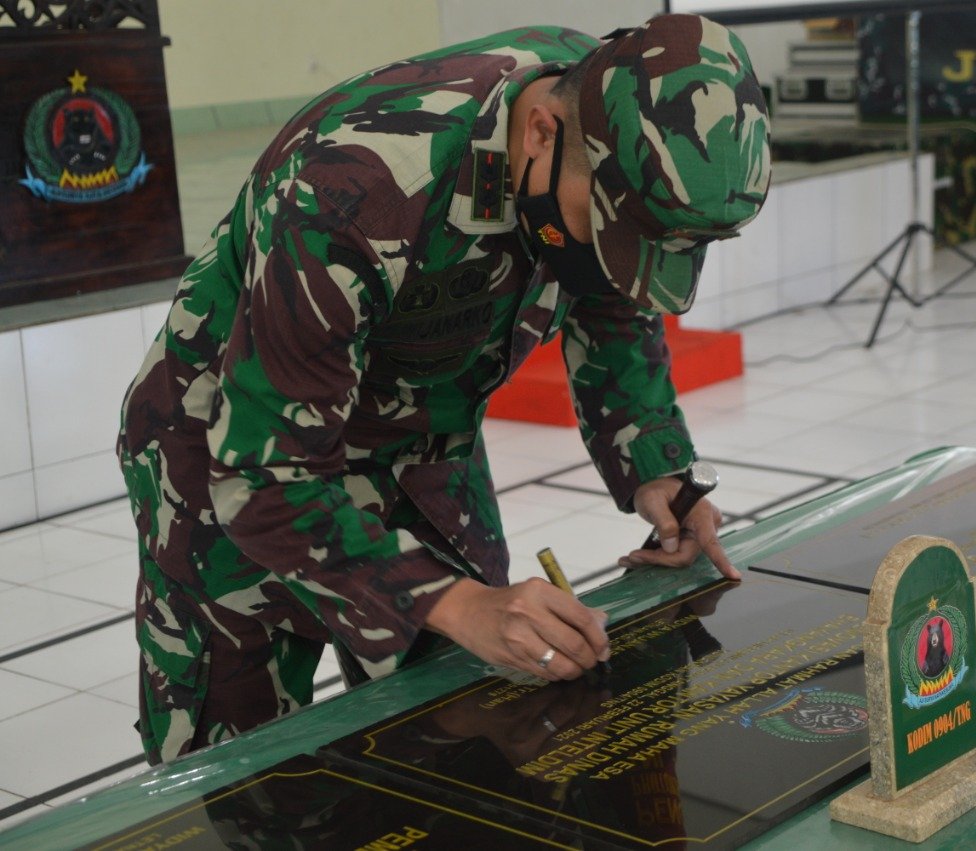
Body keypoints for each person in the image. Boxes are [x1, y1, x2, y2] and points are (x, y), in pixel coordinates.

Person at [117, 13, 771, 764]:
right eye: (608, 226)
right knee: (239, 769)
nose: (614, 251)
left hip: (419, 428)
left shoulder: (606, 112)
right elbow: (265, 473)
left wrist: (655, 467)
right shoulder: (351, 187)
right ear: (540, 135)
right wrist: (455, 602)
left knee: (478, 721)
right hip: (231, 445)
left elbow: (615, 294)